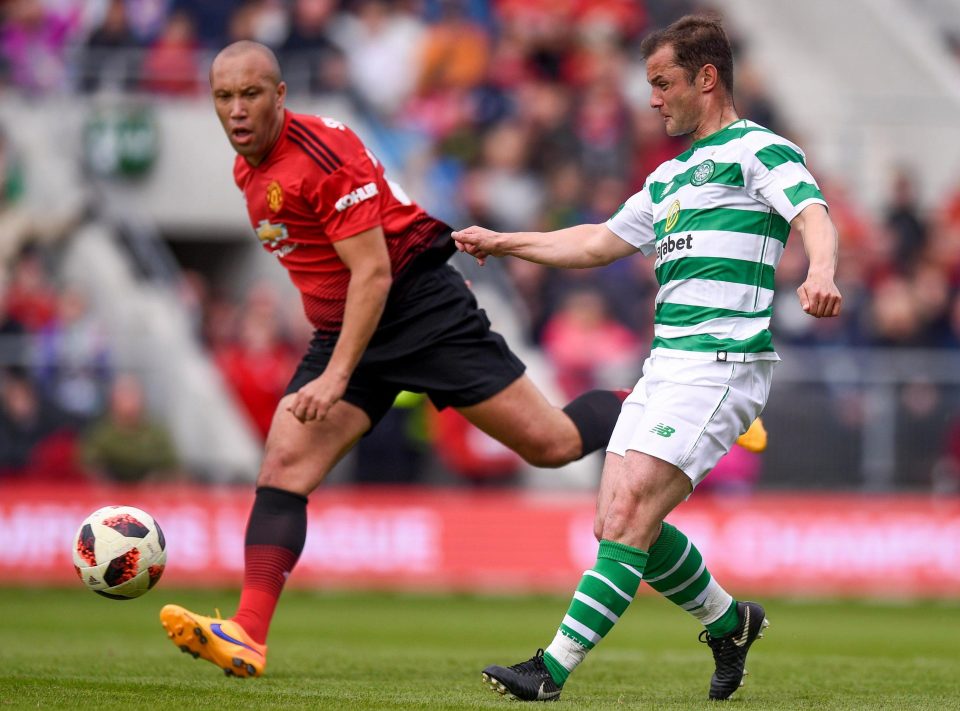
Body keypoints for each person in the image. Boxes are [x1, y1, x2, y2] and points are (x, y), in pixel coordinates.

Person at [159, 40, 629, 678]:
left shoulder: (322, 154)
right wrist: (337, 356)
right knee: (285, 466)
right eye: (223, 97)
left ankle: (673, 409)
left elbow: (373, 274)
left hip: (417, 308)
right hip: (350, 328)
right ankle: (246, 633)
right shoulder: (249, 172)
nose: (236, 110)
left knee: (553, 444)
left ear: (279, 96)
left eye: (250, 94)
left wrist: (336, 374)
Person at [454, 15, 841, 702]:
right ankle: (729, 620)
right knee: (618, 523)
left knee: (629, 510)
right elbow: (597, 242)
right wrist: (506, 242)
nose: (653, 98)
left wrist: (822, 271)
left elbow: (813, 213)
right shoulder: (668, 179)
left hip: (724, 363)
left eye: (663, 83)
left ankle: (550, 669)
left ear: (707, 78)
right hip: (664, 366)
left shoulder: (759, 151)